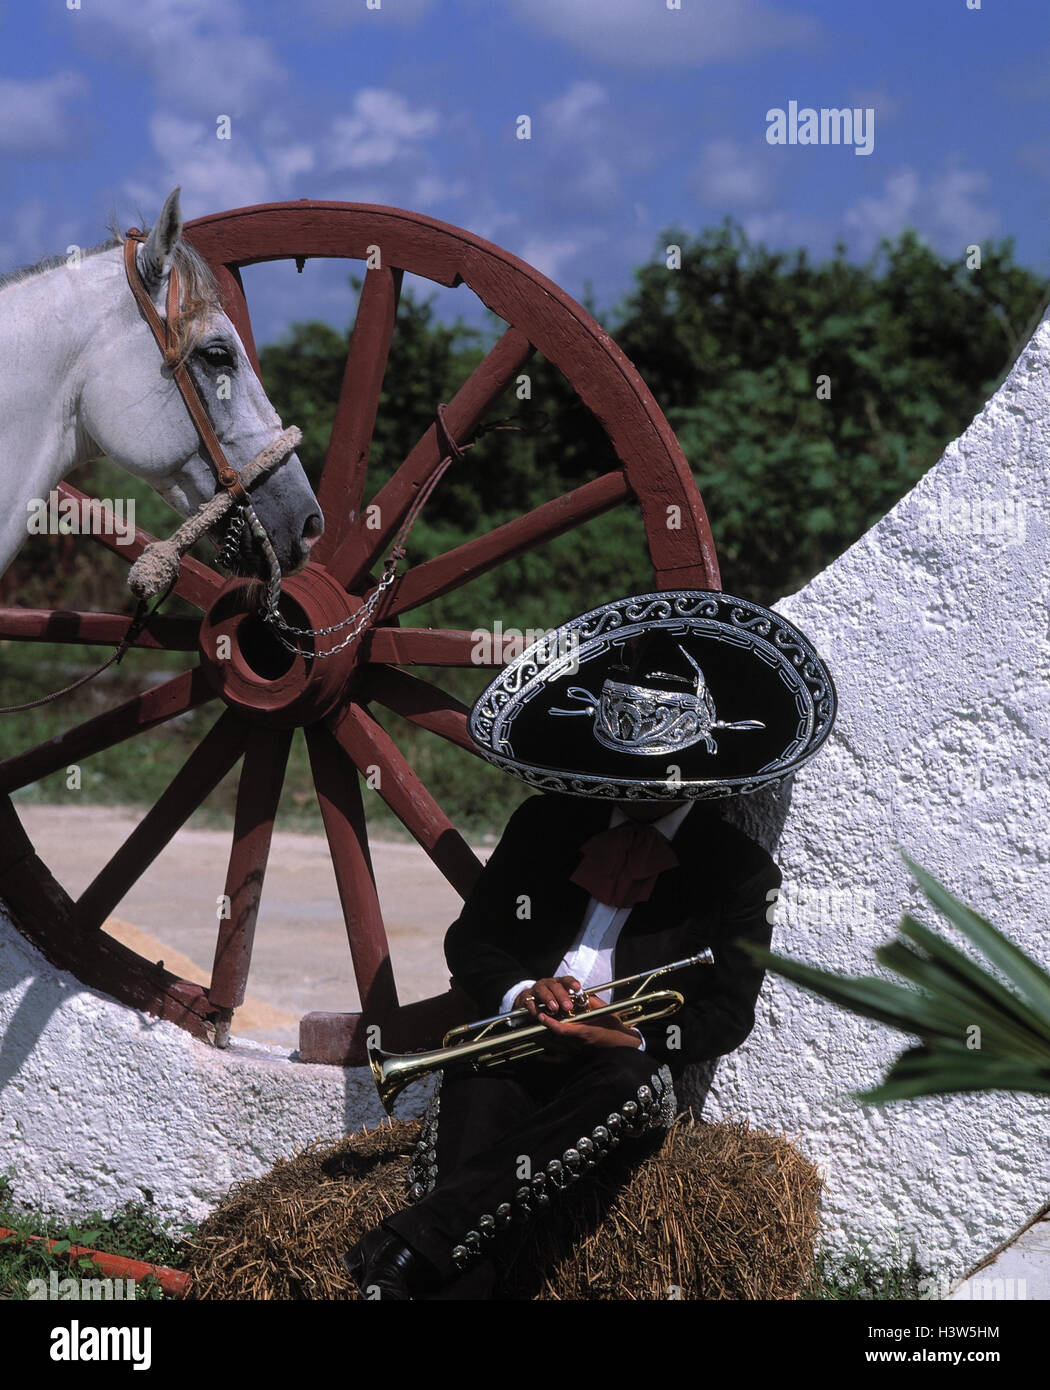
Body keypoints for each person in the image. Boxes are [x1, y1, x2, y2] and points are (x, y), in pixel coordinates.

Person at [345, 590, 836, 1300]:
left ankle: (404, 1243)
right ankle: (425, 1257)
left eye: (651, 775)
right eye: (622, 771)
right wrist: (521, 992)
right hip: (521, 1037)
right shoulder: (546, 824)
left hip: (621, 1070)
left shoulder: (738, 871)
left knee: (626, 1084)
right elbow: (474, 942)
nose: (633, 790)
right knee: (478, 1101)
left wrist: (625, 1034)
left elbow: (728, 1013)